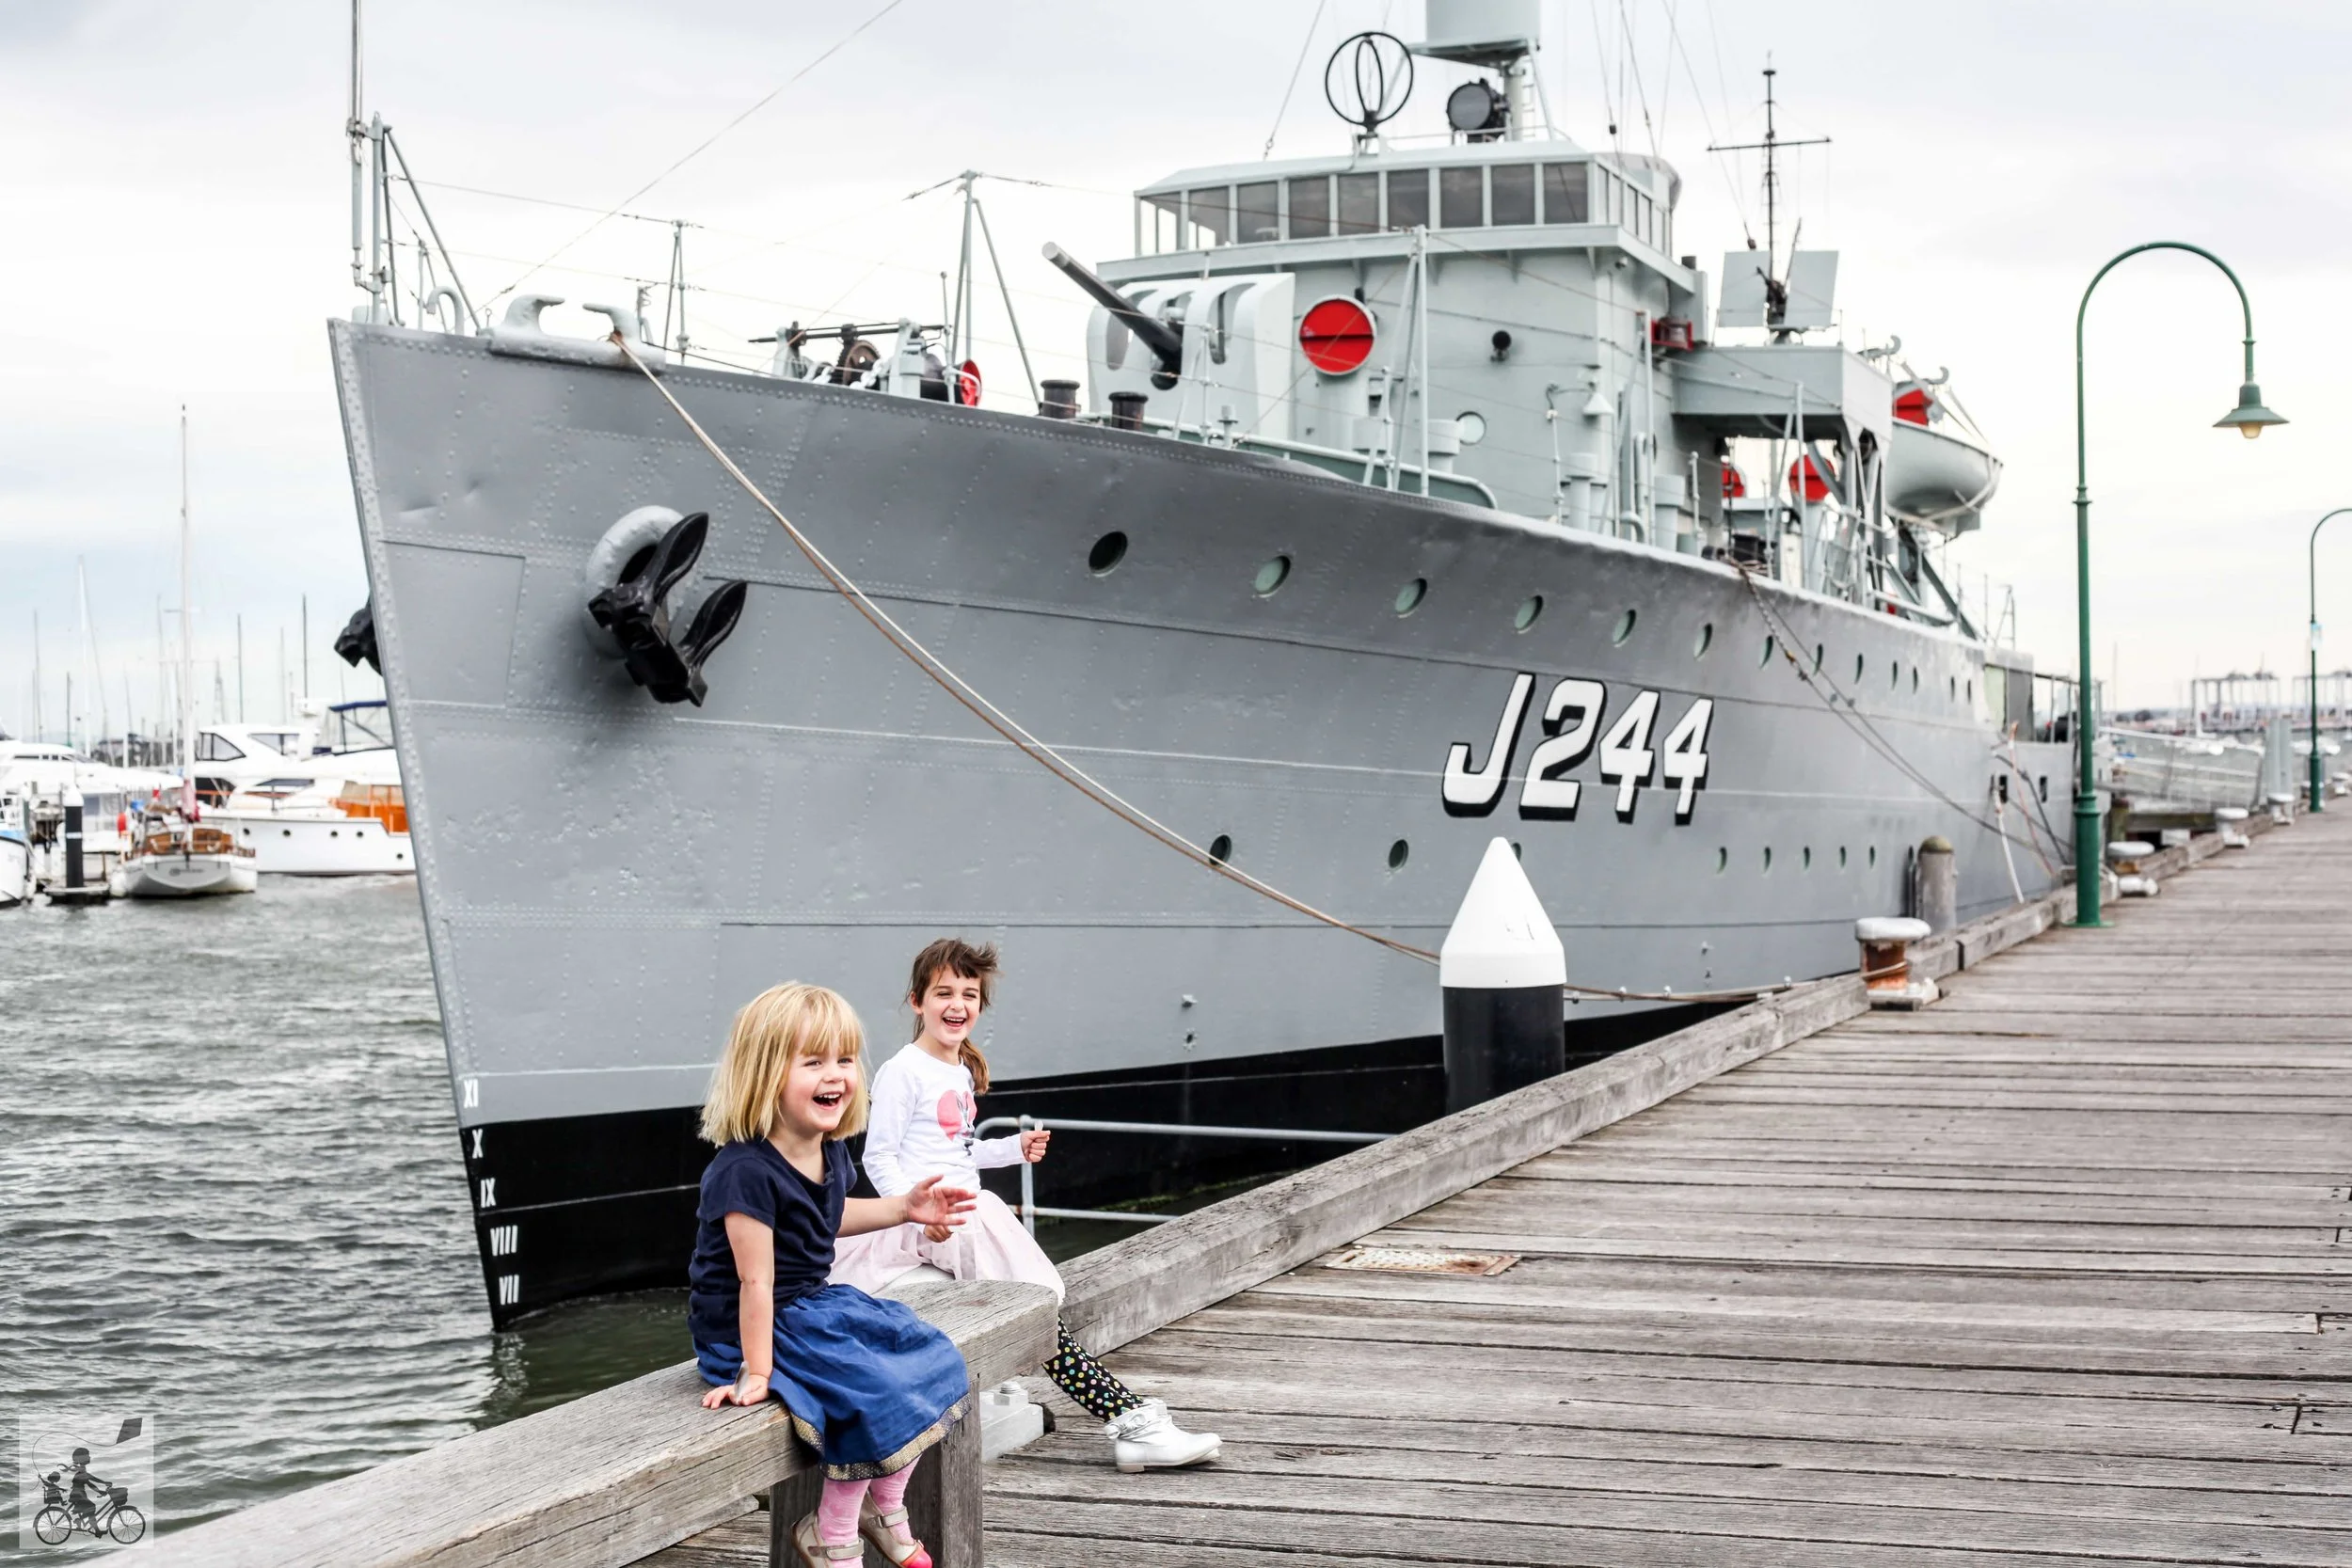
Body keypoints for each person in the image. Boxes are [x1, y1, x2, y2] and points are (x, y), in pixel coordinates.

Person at [832, 938, 1221, 1473]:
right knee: (1029, 1299)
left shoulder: (957, 1070)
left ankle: (1126, 1417)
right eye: (943, 993)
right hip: (931, 1218)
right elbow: (879, 1156)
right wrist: (914, 1214)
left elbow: (957, 1149)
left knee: (1026, 1296)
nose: (957, 1005)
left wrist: (1011, 1149)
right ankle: (1128, 1420)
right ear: (917, 1001)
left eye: (969, 995)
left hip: (960, 1212)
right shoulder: (904, 1070)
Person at [691, 982, 978, 1568]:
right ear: (764, 1074)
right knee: (870, 1390)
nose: (836, 1075)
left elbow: (829, 1217)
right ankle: (833, 1532)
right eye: (814, 1061)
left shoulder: (827, 1150)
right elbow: (754, 1282)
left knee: (934, 1356)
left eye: (845, 1060)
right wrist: (757, 1372)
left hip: (810, 1303)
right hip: (750, 1327)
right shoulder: (744, 1171)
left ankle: (883, 1506)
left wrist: (905, 1208)